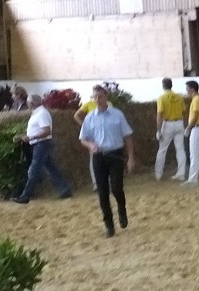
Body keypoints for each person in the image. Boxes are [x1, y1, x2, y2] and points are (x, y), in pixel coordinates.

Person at [78, 84, 136, 238]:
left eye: (100, 96)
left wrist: (130, 158)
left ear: (106, 97)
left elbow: (127, 136)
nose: (97, 99)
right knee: (102, 193)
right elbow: (83, 138)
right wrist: (91, 145)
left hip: (115, 155)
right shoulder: (90, 117)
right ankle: (109, 225)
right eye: (95, 97)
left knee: (116, 188)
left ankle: (122, 210)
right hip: (99, 157)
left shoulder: (117, 115)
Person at [11, 94, 72, 204]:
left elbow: (47, 131)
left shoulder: (42, 114)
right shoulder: (38, 113)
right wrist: (24, 136)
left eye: (28, 102)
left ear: (33, 103)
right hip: (39, 143)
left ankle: (25, 195)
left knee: (34, 169)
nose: (27, 104)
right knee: (51, 168)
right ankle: (65, 189)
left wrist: (31, 137)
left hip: (41, 144)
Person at [154, 77, 186, 181]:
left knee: (162, 150)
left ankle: (158, 174)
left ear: (163, 86)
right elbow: (183, 111)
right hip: (179, 122)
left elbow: (159, 115)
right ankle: (181, 173)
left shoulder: (162, 98)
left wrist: (158, 130)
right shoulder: (179, 97)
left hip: (168, 123)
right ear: (171, 85)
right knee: (180, 149)